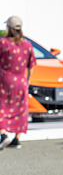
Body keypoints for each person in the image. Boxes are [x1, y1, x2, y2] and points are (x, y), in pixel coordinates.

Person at [0, 16, 36, 150]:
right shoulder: (27, 44)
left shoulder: (3, 43)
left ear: (8, 28)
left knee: (2, 107)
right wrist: (28, 80)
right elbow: (31, 65)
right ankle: (17, 139)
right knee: (20, 109)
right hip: (21, 80)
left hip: (4, 80)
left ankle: (3, 135)